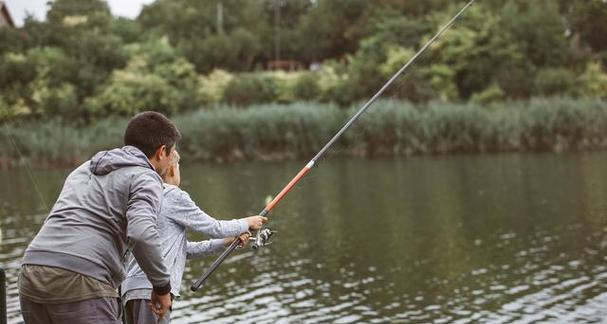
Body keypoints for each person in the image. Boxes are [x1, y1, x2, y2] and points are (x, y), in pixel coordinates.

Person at [19, 111, 180, 323]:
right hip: (81, 280)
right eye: (172, 154)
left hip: (32, 271)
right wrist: (161, 286)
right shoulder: (146, 177)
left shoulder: (84, 169)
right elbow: (141, 232)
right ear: (161, 152)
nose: (170, 161)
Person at [122, 150, 267, 324]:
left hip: (130, 291)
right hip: (151, 292)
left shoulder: (141, 195)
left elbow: (184, 250)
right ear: (172, 169)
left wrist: (225, 242)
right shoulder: (173, 195)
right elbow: (214, 227)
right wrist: (247, 222)